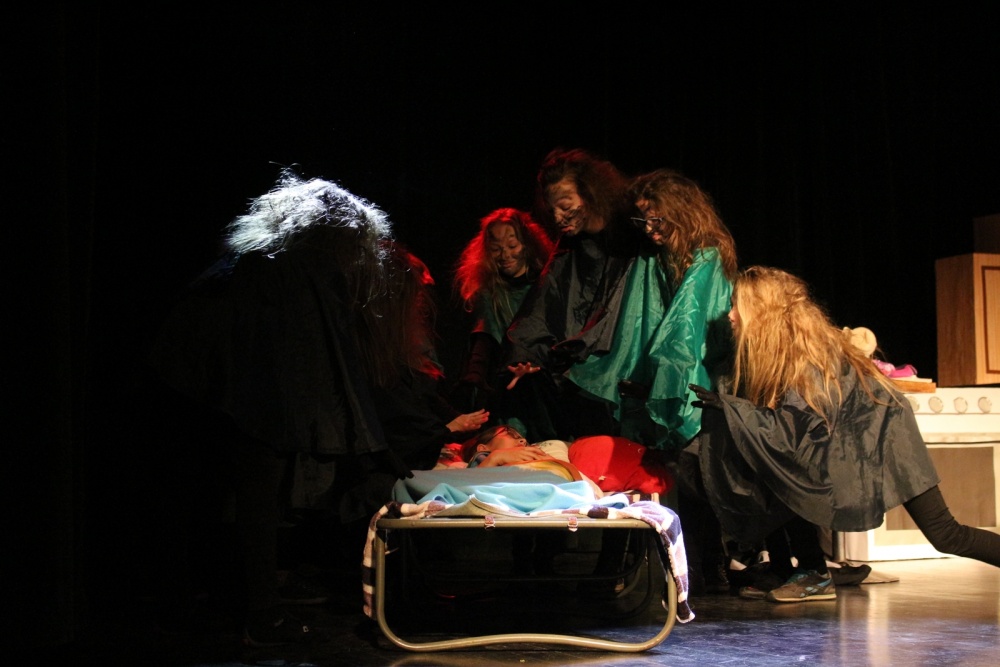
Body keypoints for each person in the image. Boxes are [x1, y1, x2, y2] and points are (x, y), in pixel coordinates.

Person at [145, 170, 485, 646]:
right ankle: (259, 616)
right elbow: (318, 362)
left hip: (201, 394)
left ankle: (208, 606)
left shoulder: (249, 264)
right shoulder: (288, 274)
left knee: (216, 500)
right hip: (236, 400)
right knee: (250, 501)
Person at [690, 266, 1000, 603]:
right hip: (850, 441)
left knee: (946, 534)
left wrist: (733, 408)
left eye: (738, 306)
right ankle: (799, 570)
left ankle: (813, 572)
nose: (730, 315)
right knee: (780, 477)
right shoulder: (776, 353)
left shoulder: (806, 357)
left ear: (762, 311)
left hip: (888, 437)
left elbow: (794, 427)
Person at [564, 168, 738, 595]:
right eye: (644, 220)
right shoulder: (652, 258)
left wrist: (670, 378)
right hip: (656, 378)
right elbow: (636, 319)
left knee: (697, 478)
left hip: (696, 379)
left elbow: (687, 325)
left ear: (681, 212)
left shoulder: (707, 255)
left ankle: (709, 567)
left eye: (657, 219)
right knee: (645, 475)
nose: (650, 229)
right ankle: (624, 568)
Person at [498, 148, 655, 442]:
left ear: (591, 193)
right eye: (552, 210)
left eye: (565, 206)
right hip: (580, 383)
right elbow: (541, 308)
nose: (558, 217)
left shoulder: (632, 236)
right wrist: (525, 355)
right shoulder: (569, 248)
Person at [450, 208, 554, 413]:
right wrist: (474, 375)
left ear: (527, 245)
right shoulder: (490, 293)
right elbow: (485, 336)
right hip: (507, 384)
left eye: (512, 246)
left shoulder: (546, 284)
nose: (505, 255)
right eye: (496, 249)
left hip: (545, 381)